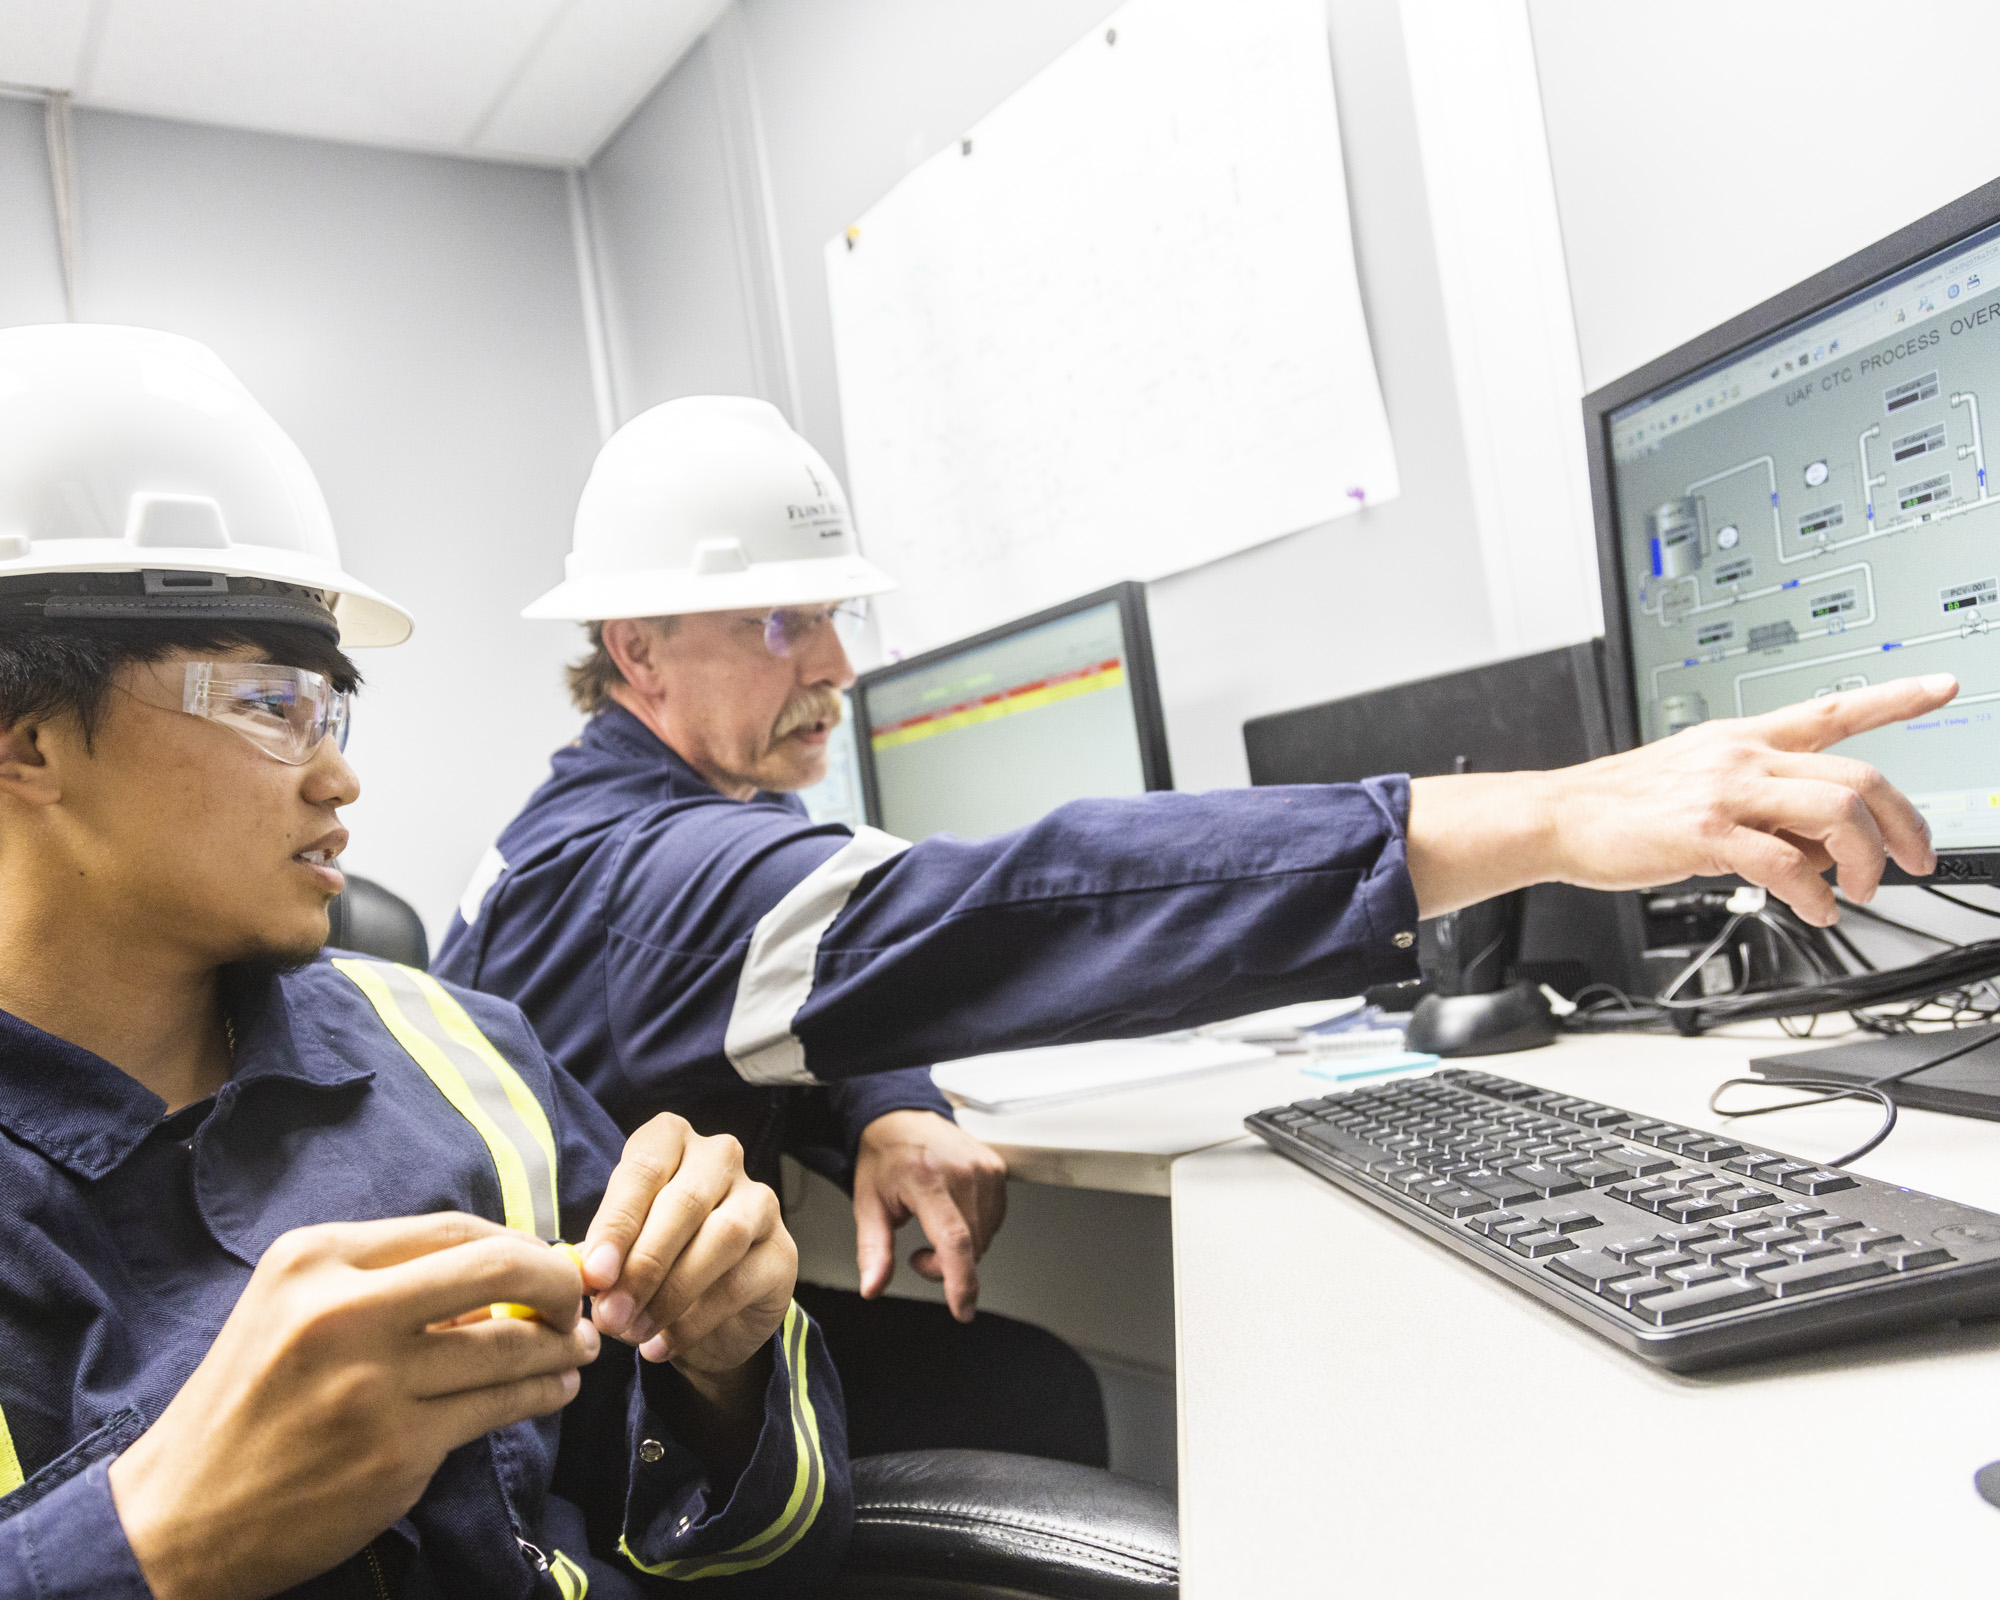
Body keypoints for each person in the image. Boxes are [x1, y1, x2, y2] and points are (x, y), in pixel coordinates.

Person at [434, 393, 1953, 1466]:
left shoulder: (599, 834)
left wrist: (886, 1101)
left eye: (829, 611)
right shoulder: (633, 871)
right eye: (780, 623)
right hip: (585, 1438)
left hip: (594, 1367)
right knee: (1032, 1396)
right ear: (636, 648)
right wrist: (1551, 817)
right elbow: (977, 912)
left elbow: (775, 980)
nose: (833, 656)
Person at [0, 331, 847, 1600]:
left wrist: (726, 1371)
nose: (338, 774)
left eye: (331, 710)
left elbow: (747, 1547)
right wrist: (148, 1541)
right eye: (267, 704)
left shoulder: (463, 1053)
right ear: (10, 732)